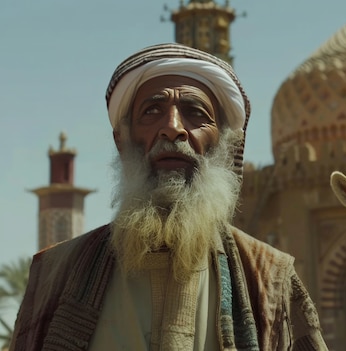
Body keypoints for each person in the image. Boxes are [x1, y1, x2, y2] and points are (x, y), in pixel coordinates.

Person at [10, 43, 328, 351]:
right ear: (122, 141)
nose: (173, 128)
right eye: (152, 111)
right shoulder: (55, 274)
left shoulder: (269, 278)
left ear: (225, 144)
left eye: (195, 112)